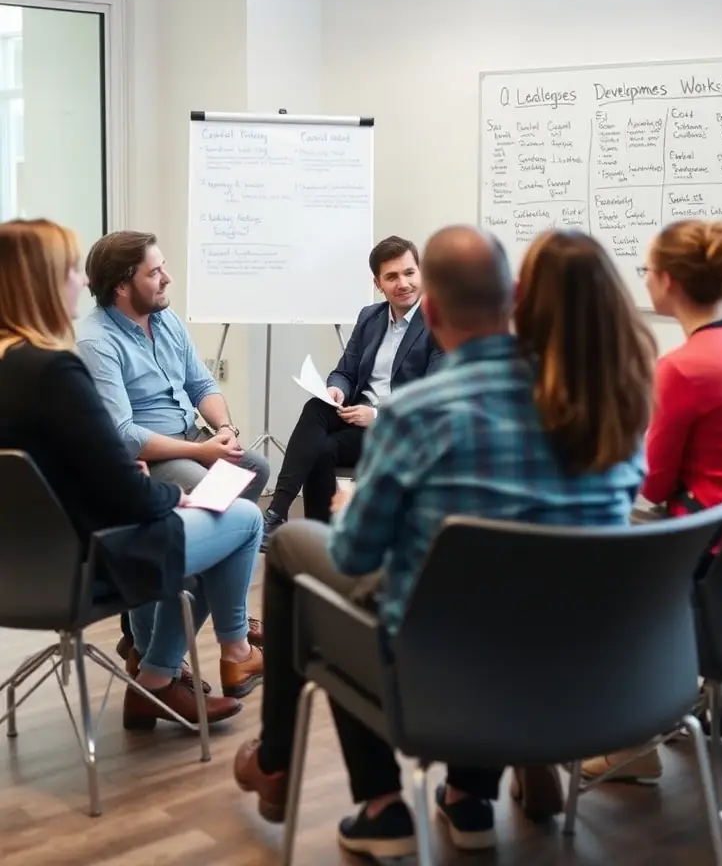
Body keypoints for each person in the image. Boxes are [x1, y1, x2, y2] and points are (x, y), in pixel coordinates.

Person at [233, 226, 655, 857]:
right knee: (501, 587)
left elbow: (353, 559)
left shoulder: (417, 414)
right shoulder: (608, 405)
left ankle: (372, 802)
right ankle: (468, 794)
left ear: (430, 310)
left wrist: (351, 511)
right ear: (513, 299)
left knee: (302, 552)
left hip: (440, 673)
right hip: (586, 669)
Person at [0, 219, 264, 726]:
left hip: (21, 569)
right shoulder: (56, 369)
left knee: (220, 507)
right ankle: (166, 674)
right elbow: (126, 493)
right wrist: (169, 496)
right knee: (242, 520)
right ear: (41, 283)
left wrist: (123, 473)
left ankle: (169, 666)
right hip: (93, 556)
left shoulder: (14, 366)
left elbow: (47, 470)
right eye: (69, 271)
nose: (81, 282)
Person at [582, 219, 722, 783]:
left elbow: (654, 485)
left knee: (611, 576)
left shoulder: (682, 368)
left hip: (708, 564)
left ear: (667, 281)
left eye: (647, 270)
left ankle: (635, 743)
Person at [77, 231, 268, 671]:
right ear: (122, 285)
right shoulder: (96, 340)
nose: (167, 278)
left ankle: (202, 608)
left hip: (192, 439)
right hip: (151, 459)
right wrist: (201, 454)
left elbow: (202, 385)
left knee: (255, 467)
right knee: (221, 507)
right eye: (155, 272)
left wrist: (224, 430)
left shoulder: (166, 319)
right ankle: (185, 644)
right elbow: (123, 434)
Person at [260, 235, 443, 546]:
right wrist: (337, 389)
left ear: (421, 272)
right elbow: (345, 370)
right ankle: (282, 513)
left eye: (409, 273)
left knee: (322, 449)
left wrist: (377, 415)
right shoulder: (370, 317)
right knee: (317, 407)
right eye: (391, 277)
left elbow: (432, 395)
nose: (403, 283)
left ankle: (309, 531)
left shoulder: (439, 321)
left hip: (399, 429)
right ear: (378, 283)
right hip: (355, 415)